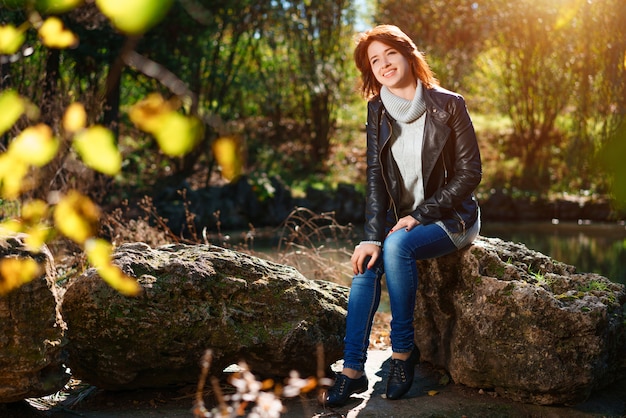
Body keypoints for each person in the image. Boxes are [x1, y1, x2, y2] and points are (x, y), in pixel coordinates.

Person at [321, 25, 482, 407]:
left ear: (408, 54)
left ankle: (402, 353)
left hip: (451, 217)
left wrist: (421, 214)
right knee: (367, 262)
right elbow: (376, 177)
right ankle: (352, 370)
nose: (383, 64)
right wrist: (371, 235)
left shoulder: (449, 104)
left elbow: (469, 173)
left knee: (396, 246)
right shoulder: (376, 110)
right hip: (401, 222)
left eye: (388, 54)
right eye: (374, 61)